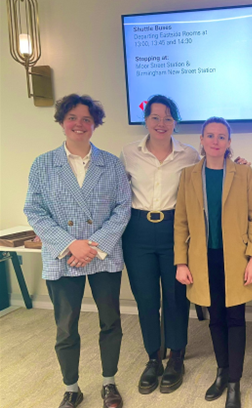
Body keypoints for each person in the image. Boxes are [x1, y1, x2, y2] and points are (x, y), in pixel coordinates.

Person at [24, 94, 131, 408]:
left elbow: (123, 209)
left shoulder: (110, 163)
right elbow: (34, 211)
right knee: (65, 326)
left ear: (95, 124)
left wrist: (92, 246)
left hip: (103, 254)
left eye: (86, 119)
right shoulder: (43, 164)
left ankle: (109, 383)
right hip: (63, 255)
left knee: (111, 321)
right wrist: (72, 245)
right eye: (72, 117)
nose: (79, 124)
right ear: (61, 122)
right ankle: (71, 387)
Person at [174, 117, 252, 408]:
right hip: (202, 260)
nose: (215, 141)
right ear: (201, 140)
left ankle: (235, 382)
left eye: (221, 136)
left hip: (236, 259)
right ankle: (222, 372)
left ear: (229, 142)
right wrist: (181, 262)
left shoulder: (243, 173)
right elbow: (181, 222)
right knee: (216, 319)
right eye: (210, 135)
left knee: (236, 319)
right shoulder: (188, 175)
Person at [120, 95, 198, 394]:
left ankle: (176, 356)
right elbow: (115, 193)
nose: (161, 123)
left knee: (177, 297)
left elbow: (207, 179)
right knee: (147, 299)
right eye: (155, 117)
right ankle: (153, 357)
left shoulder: (189, 155)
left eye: (167, 117)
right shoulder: (128, 153)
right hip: (137, 230)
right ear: (146, 120)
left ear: (175, 121)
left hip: (174, 229)